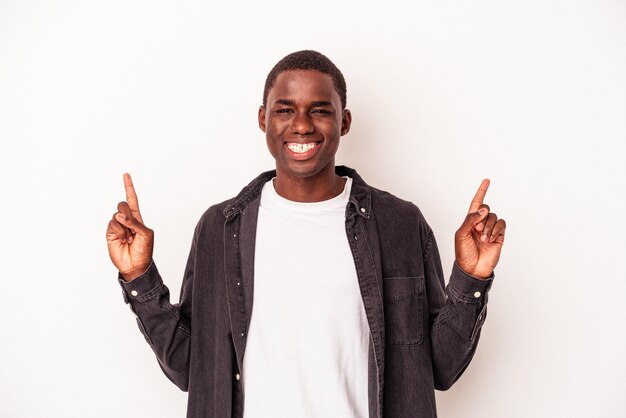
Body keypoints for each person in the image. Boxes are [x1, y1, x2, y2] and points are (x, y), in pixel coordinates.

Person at [106, 50, 506, 418]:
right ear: (263, 118)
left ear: (344, 121)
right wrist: (139, 277)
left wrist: (472, 277)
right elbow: (191, 370)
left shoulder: (399, 223)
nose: (301, 125)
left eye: (320, 110)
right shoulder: (220, 228)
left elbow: (439, 369)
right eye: (285, 109)